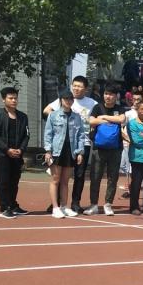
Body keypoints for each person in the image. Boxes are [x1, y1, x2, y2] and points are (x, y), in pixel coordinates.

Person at [43, 75, 96, 213]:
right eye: (75, 85)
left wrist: (93, 126)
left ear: (85, 88)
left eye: (80, 86)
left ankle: (71, 204)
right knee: (56, 178)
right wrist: (48, 150)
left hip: (78, 146)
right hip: (58, 147)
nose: (76, 88)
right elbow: (47, 115)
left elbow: (84, 131)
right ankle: (55, 205)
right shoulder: (58, 109)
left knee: (75, 176)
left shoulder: (89, 105)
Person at [84, 84, 126, 216]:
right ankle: (94, 205)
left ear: (116, 96)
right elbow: (91, 121)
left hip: (116, 149)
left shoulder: (119, 108)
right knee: (95, 177)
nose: (108, 96)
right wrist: (111, 120)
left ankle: (108, 204)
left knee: (113, 177)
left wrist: (103, 118)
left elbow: (121, 119)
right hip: (99, 148)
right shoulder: (98, 107)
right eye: (106, 94)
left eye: (111, 94)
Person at [44, 89, 85, 219]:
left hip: (70, 151)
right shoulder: (53, 115)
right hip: (57, 151)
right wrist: (48, 151)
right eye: (66, 99)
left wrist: (80, 152)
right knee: (55, 180)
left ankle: (64, 206)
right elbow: (48, 134)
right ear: (61, 100)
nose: (68, 101)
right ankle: (55, 208)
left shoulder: (77, 117)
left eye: (70, 99)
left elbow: (81, 136)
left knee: (65, 181)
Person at [0, 86, 29, 218]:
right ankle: (4, 207)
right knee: (3, 182)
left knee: (14, 182)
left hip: (17, 155)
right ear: (4, 100)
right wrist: (7, 149)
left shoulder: (23, 117)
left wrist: (21, 150)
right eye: (10, 98)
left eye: (15, 98)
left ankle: (13, 205)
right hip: (3, 155)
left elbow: (26, 136)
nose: (14, 100)